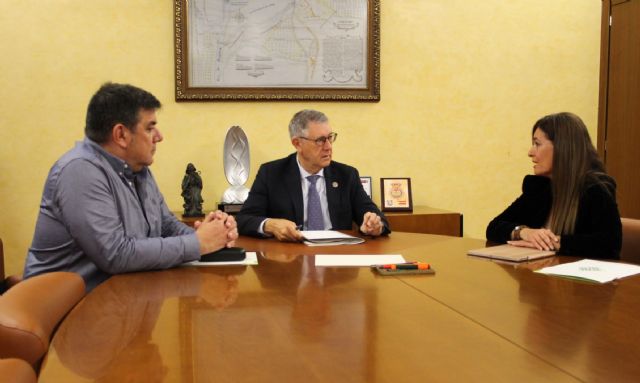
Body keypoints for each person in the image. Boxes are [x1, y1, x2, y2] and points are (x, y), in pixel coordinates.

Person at [23, 82, 238, 291]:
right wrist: (198, 244)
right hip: (66, 310)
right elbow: (116, 254)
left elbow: (165, 225)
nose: (159, 137)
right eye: (150, 128)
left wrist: (210, 234)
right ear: (121, 135)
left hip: (119, 298)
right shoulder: (79, 171)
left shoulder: (138, 168)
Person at [236, 109, 390, 241]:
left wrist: (375, 225)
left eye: (330, 138)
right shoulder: (271, 174)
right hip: (291, 258)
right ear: (297, 144)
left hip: (336, 258)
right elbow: (243, 220)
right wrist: (271, 225)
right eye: (320, 140)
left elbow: (378, 218)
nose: (328, 147)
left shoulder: (346, 175)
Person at [486, 112, 621, 259]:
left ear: (562, 147)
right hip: (538, 274)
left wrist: (554, 242)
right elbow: (493, 227)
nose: (530, 152)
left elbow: (609, 245)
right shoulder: (539, 188)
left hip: (577, 278)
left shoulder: (596, 189)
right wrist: (524, 232)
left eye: (537, 144)